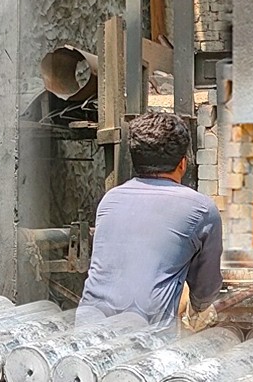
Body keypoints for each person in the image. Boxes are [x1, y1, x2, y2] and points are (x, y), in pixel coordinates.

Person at [77, 112, 224, 328]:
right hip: (145, 340)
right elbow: (205, 288)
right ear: (183, 163)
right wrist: (200, 306)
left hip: (86, 329)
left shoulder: (111, 199)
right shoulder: (201, 209)